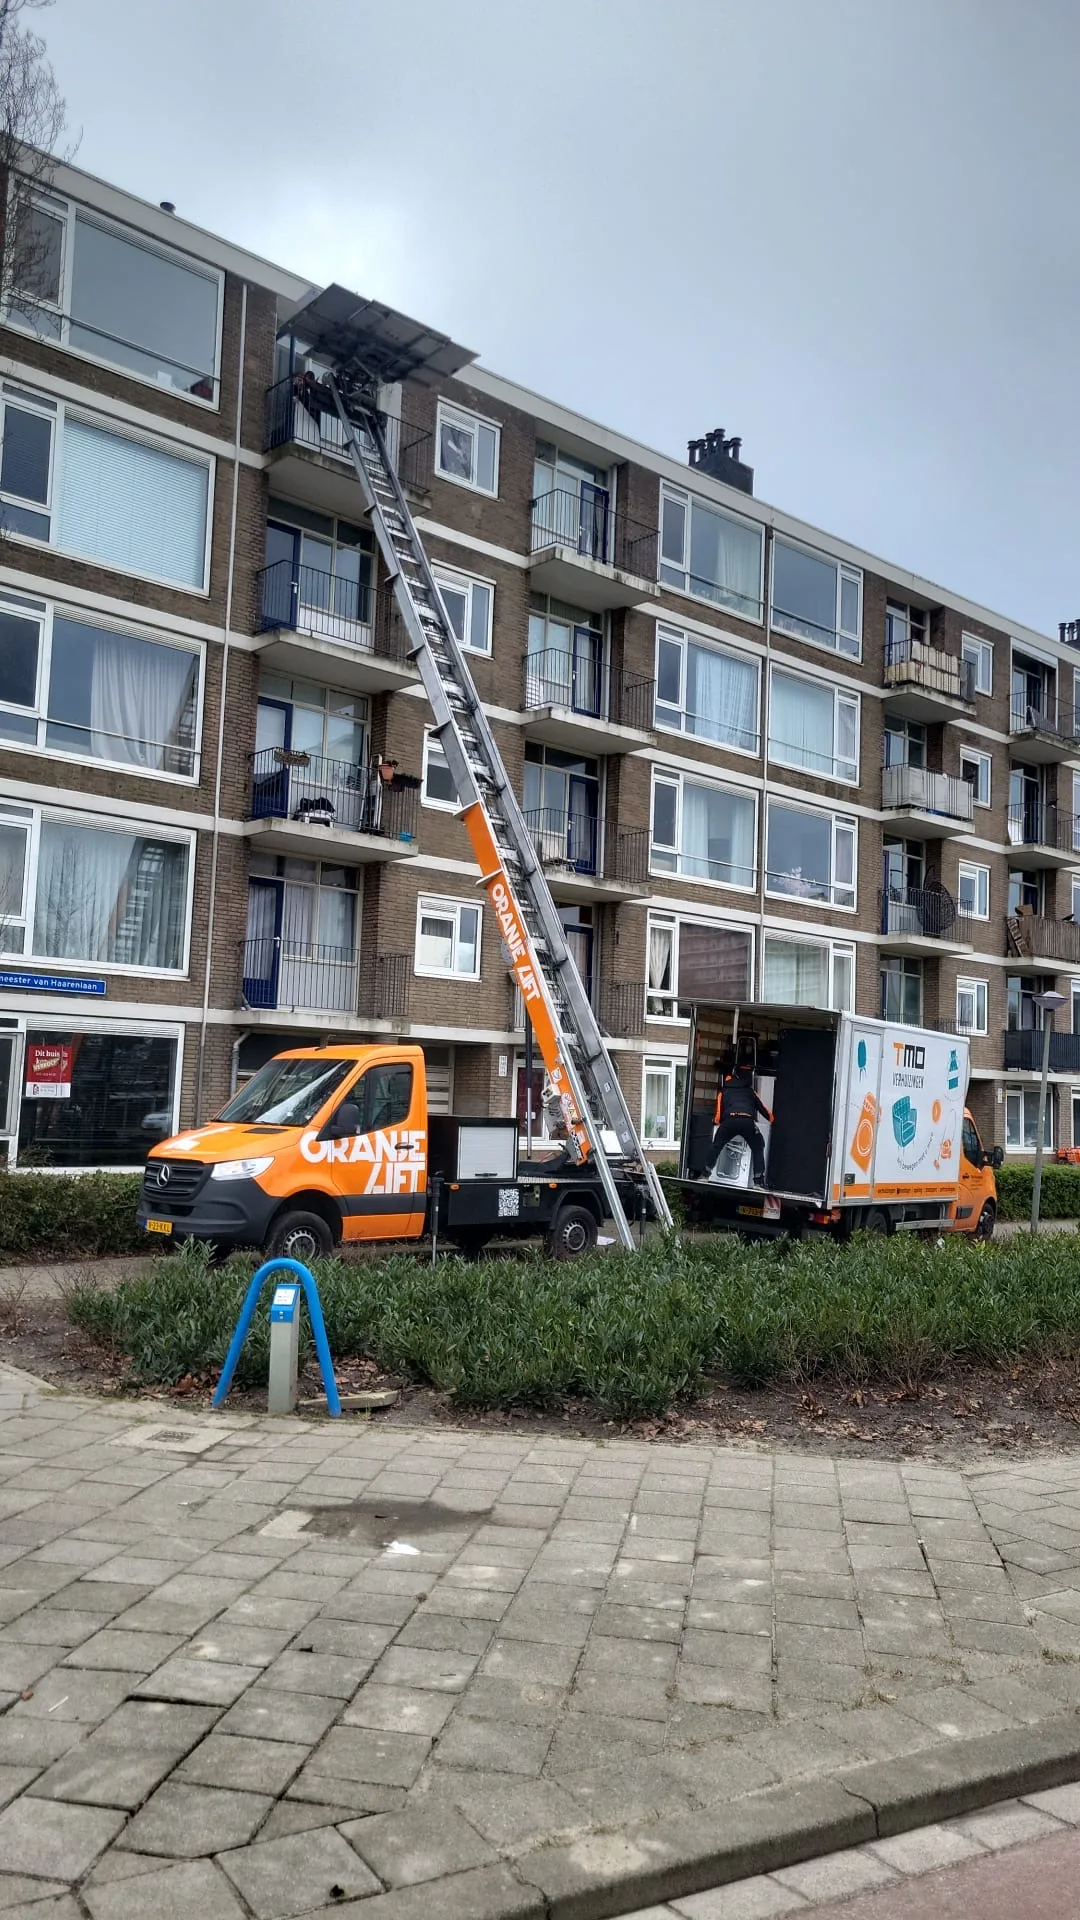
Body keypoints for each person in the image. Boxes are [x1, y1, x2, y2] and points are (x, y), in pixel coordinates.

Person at [704, 1061, 773, 1185]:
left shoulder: (724, 1090)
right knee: (758, 1146)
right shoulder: (750, 1091)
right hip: (747, 1121)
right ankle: (758, 1182)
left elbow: (718, 1113)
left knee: (716, 1146)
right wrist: (772, 1120)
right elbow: (763, 1109)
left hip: (729, 1122)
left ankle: (705, 1175)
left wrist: (716, 1122)